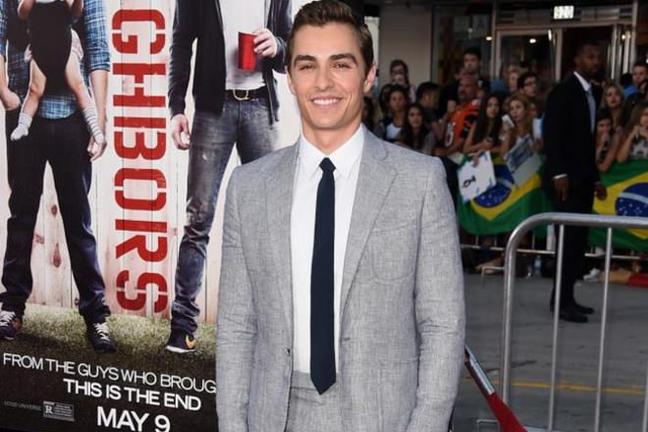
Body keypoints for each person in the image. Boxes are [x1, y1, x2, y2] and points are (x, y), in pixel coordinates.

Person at [215, 2, 465, 432]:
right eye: (307, 65)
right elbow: (237, 325)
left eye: (341, 64)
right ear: (289, 77)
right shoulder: (248, 187)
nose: (323, 82)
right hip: (274, 416)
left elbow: (443, 324)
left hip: (383, 418)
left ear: (369, 75)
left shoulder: (420, 182)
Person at [165, 0, 292, 353]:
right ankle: (183, 326)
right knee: (198, 220)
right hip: (212, 110)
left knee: (269, 225)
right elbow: (180, 43)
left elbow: (292, 47)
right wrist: (176, 109)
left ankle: (270, 330)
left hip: (261, 107)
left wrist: (278, 46)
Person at [0, 0, 114, 351]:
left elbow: (98, 48)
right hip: (25, 111)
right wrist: (5, 95)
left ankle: (95, 313)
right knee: (21, 215)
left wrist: (99, 119)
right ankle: (11, 306)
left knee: (78, 220)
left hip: (72, 118)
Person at [543, 41, 607, 323]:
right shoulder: (564, 91)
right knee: (567, 243)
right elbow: (553, 135)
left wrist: (595, 178)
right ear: (577, 59)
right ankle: (560, 302)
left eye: (598, 57)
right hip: (566, 181)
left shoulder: (593, 92)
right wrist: (559, 173)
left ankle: (567, 297)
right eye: (590, 57)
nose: (596, 61)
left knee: (578, 243)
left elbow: (586, 143)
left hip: (583, 180)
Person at [9, 0, 104, 147]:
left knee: (78, 85)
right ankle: (23, 124)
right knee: (35, 89)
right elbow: (22, 14)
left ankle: (94, 126)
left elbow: (75, 13)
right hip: (40, 44)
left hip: (64, 42)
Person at [436, 71, 481, 202]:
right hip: (450, 156)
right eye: (461, 85)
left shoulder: (475, 107)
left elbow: (463, 138)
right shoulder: (458, 109)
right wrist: (447, 116)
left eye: (467, 86)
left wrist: (445, 153)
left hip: (461, 160)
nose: (462, 89)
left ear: (476, 89)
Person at [463, 93, 506, 162]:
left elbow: (504, 148)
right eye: (490, 105)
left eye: (496, 105)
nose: (493, 108)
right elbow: (465, 150)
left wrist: (486, 150)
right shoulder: (476, 123)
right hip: (474, 160)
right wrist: (481, 145)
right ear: (484, 107)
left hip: (493, 160)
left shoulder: (502, 124)